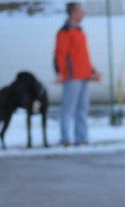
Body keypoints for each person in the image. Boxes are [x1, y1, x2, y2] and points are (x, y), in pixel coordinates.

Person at [54, 2, 100, 146]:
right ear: (72, 13)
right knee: (68, 110)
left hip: (85, 76)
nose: (83, 13)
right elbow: (60, 54)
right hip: (72, 77)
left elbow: (84, 56)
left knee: (82, 110)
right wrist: (61, 73)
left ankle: (82, 138)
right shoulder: (64, 32)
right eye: (80, 11)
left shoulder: (80, 31)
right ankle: (65, 139)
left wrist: (92, 71)